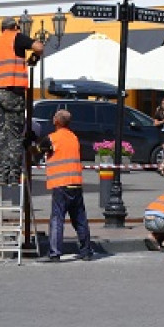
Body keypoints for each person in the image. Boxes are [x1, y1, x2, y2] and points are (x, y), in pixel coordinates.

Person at [0, 16, 44, 188]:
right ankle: (13, 176)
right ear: (15, 27)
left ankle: (2, 174)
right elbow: (39, 47)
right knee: (14, 135)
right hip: (12, 92)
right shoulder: (16, 37)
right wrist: (34, 57)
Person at [36, 110, 92, 262]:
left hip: (61, 184)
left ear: (56, 121)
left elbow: (38, 150)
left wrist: (32, 142)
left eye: (54, 117)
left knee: (57, 219)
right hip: (75, 183)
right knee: (80, 219)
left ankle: (55, 253)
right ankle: (86, 251)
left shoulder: (53, 138)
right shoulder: (73, 137)